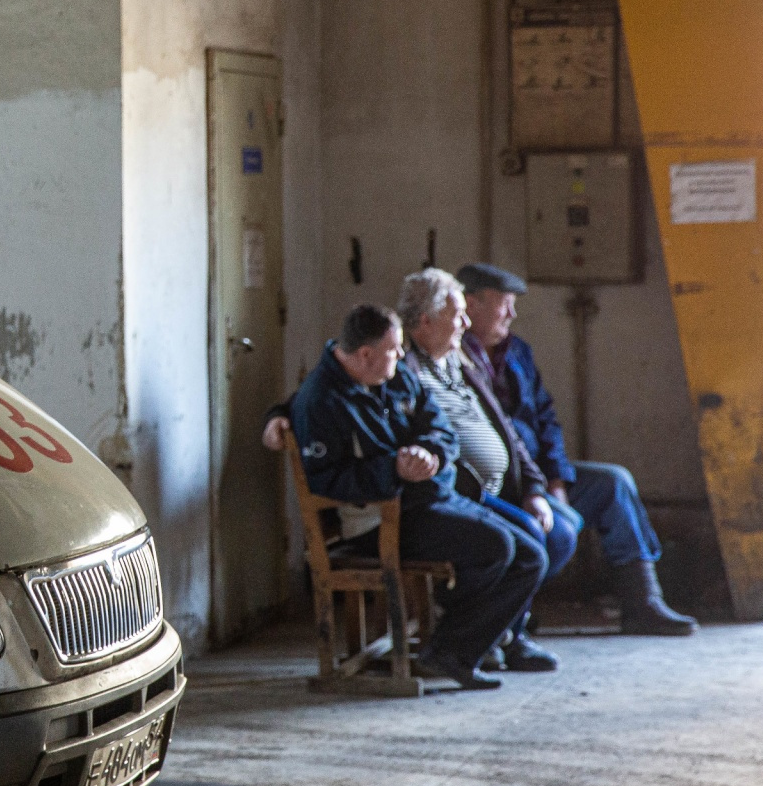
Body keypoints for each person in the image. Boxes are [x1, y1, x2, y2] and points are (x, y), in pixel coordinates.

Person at [284, 302, 545, 690]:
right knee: (497, 548)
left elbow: (440, 428)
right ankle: (451, 652)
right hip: (380, 521)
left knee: (531, 556)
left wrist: (431, 453)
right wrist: (393, 468)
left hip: (430, 499)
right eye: (394, 349)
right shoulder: (321, 401)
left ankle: (450, 648)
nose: (402, 355)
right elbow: (325, 480)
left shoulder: (394, 375)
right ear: (366, 355)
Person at [454, 262, 698, 635]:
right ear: (472, 305)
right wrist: (535, 488)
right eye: (504, 304)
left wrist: (555, 478)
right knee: (559, 528)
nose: (512, 313)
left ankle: (642, 602)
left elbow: (545, 420)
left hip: (535, 474)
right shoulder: (455, 358)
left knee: (613, 483)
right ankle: (507, 613)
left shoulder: (516, 352)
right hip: (498, 483)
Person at [396, 268, 574, 672]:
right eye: (456, 315)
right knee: (524, 541)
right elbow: (342, 384)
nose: (464, 324)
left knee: (552, 532)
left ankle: (499, 636)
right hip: (455, 498)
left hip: (498, 490)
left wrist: (533, 488)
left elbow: (507, 433)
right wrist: (279, 417)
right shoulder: (404, 370)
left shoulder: (459, 361)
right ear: (425, 322)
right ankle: (488, 641)